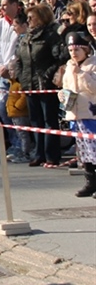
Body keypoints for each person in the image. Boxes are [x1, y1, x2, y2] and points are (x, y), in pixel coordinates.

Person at [13, 4, 66, 168]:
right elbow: (19, 61)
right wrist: (22, 78)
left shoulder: (51, 36)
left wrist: (47, 74)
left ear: (41, 17)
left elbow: (59, 58)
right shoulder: (26, 38)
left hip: (45, 84)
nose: (28, 21)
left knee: (49, 120)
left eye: (31, 17)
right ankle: (39, 153)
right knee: (36, 120)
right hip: (29, 85)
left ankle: (51, 155)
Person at [58, 31, 96, 198]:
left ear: (86, 50)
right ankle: (90, 182)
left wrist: (81, 73)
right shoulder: (69, 66)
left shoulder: (92, 66)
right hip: (76, 114)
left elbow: (93, 88)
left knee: (94, 150)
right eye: (71, 50)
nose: (73, 54)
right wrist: (63, 96)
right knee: (84, 152)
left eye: (77, 50)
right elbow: (66, 86)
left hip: (91, 113)